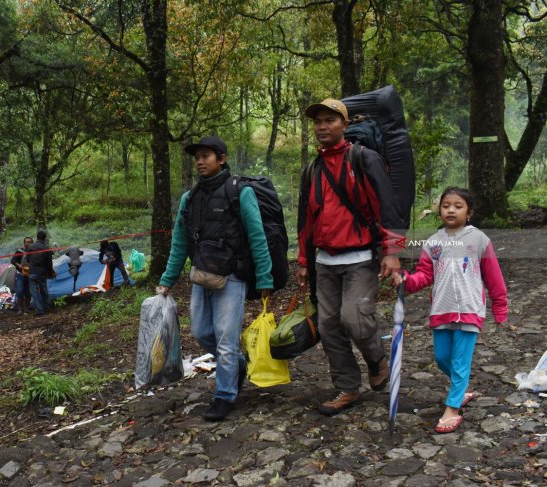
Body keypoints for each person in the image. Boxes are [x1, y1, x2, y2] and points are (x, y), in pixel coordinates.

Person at [297, 98, 404, 416]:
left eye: (329, 120)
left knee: (354, 319)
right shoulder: (313, 169)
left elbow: (388, 205)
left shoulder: (363, 158)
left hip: (360, 257)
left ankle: (376, 360)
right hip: (325, 262)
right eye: (317, 122)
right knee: (328, 327)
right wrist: (303, 261)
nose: (322, 127)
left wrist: (393, 252)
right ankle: (346, 387)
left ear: (345, 124)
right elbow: (307, 219)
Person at [158, 135, 273, 421]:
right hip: (201, 276)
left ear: (221, 159)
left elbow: (257, 236)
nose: (199, 161)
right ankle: (236, 363)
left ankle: (224, 395)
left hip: (232, 277)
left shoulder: (239, 191)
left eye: (206, 156)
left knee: (225, 339)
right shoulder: (190, 198)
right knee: (200, 332)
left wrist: (265, 277)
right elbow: (179, 243)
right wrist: (167, 279)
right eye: (197, 157)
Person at [392, 187, 507, 433]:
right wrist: (407, 280)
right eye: (446, 206)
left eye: (458, 206)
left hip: (470, 308)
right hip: (441, 309)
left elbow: (494, 277)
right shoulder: (433, 242)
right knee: (442, 358)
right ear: (439, 210)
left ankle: (452, 408)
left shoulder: (479, 240)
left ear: (469, 212)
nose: (451, 210)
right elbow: (424, 275)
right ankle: (461, 387)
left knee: (460, 360)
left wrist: (500, 307)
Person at [27, 230, 54, 316]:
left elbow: (27, 259)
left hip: (32, 272)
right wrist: (50, 272)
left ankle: (40, 310)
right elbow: (49, 263)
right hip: (42, 273)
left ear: (37, 238)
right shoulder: (46, 248)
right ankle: (47, 307)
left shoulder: (31, 247)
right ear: (45, 238)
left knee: (34, 292)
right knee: (44, 290)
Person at [10, 237, 33, 314]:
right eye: (27, 242)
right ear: (24, 243)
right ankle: (20, 309)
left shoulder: (34, 251)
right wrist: (18, 264)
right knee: (20, 291)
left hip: (30, 274)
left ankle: (27, 308)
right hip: (20, 274)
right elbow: (13, 260)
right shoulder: (20, 251)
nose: (28, 243)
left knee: (29, 292)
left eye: (30, 242)